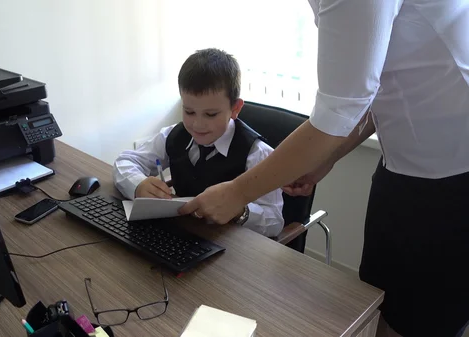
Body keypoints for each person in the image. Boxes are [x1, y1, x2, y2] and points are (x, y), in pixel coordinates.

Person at [180, 1, 469, 336]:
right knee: (377, 303)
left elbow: (340, 107)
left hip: (452, 183)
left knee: (419, 322)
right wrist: (327, 156)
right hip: (400, 170)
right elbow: (379, 93)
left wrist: (237, 192)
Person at [113, 48, 284, 238]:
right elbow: (125, 161)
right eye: (189, 112)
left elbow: (275, 222)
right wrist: (138, 185)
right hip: (183, 237)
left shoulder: (257, 154)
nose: (197, 124)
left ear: (235, 108)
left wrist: (239, 209)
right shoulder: (173, 135)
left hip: (233, 248)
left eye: (211, 114)